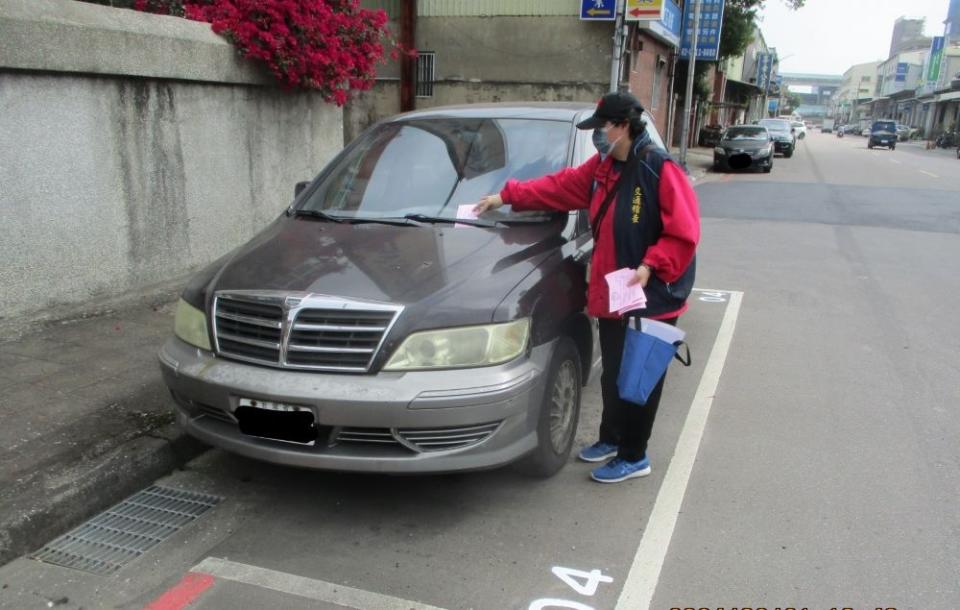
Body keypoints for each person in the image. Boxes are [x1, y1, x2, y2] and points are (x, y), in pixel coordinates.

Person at [472, 92, 700, 483]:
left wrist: (650, 264)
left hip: (651, 295)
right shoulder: (603, 168)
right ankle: (611, 439)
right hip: (616, 290)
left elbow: (684, 232)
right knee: (613, 371)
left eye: (603, 128)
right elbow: (558, 187)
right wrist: (506, 196)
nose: (598, 136)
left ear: (623, 126)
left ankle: (635, 455)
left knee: (637, 379)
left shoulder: (658, 169)